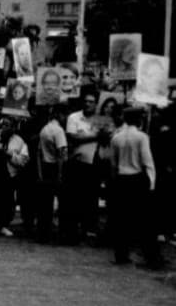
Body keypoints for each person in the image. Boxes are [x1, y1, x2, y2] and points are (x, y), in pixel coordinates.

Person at [109, 107, 164, 267]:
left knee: (121, 219)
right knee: (145, 220)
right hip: (137, 180)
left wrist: (114, 182)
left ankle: (121, 254)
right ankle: (151, 257)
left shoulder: (116, 138)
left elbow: (113, 164)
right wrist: (151, 183)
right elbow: (148, 162)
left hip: (121, 179)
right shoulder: (142, 137)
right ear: (139, 119)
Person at [63, 93, 101, 242]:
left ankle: (88, 228)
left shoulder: (100, 119)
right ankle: (74, 229)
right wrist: (95, 136)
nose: (87, 104)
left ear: (95, 104)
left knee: (90, 198)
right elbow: (73, 137)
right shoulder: (74, 118)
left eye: (91, 102)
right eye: (85, 101)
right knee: (76, 197)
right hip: (77, 163)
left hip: (94, 163)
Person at [33, 107, 68, 242]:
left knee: (45, 203)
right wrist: (60, 174)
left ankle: (43, 233)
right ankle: (62, 233)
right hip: (55, 167)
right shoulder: (58, 131)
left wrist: (40, 173)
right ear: (59, 115)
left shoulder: (44, 130)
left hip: (45, 167)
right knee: (62, 202)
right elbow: (61, 153)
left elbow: (39, 153)